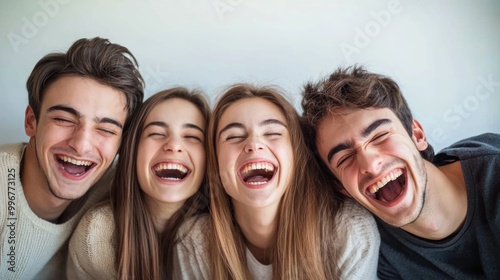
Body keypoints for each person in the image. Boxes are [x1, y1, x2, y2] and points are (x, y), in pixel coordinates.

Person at [301, 65, 500, 279]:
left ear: (417, 135)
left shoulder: (494, 173)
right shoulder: (376, 250)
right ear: (342, 187)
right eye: (345, 158)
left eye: (379, 136)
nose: (370, 164)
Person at [174, 84, 379, 279]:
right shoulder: (194, 240)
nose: (254, 144)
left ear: (296, 155)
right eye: (234, 136)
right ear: (214, 161)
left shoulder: (349, 229)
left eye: (272, 133)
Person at [0, 37, 144, 280]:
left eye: (106, 130)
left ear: (122, 143)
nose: (81, 145)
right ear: (31, 122)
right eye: (64, 119)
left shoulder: (117, 184)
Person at [67, 87, 210, 279]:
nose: (174, 145)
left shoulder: (225, 234)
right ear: (131, 150)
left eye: (192, 137)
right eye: (156, 133)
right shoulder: (96, 235)